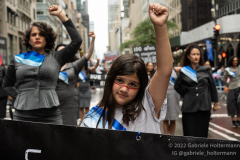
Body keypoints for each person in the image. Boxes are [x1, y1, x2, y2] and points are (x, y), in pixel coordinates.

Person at [80, 3, 172, 134]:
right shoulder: (93, 116)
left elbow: (164, 71)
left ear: (141, 87)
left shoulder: (147, 106)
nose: (124, 89)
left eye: (133, 84)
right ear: (111, 80)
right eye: (120, 80)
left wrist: (160, 26)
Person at [2, 5, 82, 124]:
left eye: (41, 34)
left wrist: (61, 15)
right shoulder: (18, 59)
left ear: (47, 38)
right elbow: (7, 85)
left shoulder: (57, 57)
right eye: (34, 35)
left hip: (50, 115)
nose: (37, 37)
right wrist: (19, 97)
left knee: (52, 143)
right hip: (22, 114)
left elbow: (77, 41)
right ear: (29, 40)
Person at [174, 44, 219, 138]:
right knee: (189, 135)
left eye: (198, 54)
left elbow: (212, 87)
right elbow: (177, 86)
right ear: (188, 56)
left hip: (204, 107)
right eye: (193, 54)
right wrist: (186, 94)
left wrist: (216, 102)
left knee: (202, 135)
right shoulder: (184, 71)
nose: (196, 56)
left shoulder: (206, 70)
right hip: (189, 107)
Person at [55, 32, 95, 126]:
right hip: (54, 102)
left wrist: (93, 39)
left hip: (70, 103)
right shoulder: (51, 66)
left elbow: (87, 56)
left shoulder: (74, 66)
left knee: (69, 127)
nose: (62, 53)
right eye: (59, 51)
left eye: (64, 50)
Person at [78, 47, 100, 122]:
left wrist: (97, 62)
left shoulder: (88, 70)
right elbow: (82, 57)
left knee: (87, 107)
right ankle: (81, 121)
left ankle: (87, 121)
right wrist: (80, 50)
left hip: (87, 91)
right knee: (80, 107)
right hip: (79, 91)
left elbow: (95, 67)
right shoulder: (77, 70)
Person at [163, 58, 181, 135]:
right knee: (165, 118)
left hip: (174, 95)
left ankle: (172, 136)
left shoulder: (176, 70)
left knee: (173, 118)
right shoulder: (161, 70)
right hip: (164, 95)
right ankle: (166, 136)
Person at [223, 56, 240, 127]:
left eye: (236, 60)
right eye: (234, 60)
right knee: (231, 105)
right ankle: (233, 121)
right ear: (231, 61)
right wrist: (229, 86)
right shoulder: (228, 69)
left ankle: (238, 121)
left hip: (239, 89)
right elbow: (224, 80)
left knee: (239, 105)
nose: (235, 62)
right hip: (231, 89)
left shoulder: (239, 68)